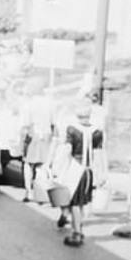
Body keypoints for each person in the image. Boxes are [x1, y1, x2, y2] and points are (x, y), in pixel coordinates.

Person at [49, 100, 105, 247]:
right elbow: (98, 155)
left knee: (74, 203)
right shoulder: (97, 132)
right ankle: (78, 228)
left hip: (75, 168)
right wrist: (101, 174)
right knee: (81, 203)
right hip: (88, 170)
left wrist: (57, 166)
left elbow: (67, 150)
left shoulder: (72, 130)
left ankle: (77, 233)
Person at [19, 83, 55, 202]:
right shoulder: (50, 103)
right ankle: (41, 193)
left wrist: (22, 142)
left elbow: (25, 124)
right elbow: (53, 123)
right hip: (46, 135)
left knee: (28, 164)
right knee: (41, 165)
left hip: (33, 135)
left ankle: (29, 192)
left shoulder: (28, 105)